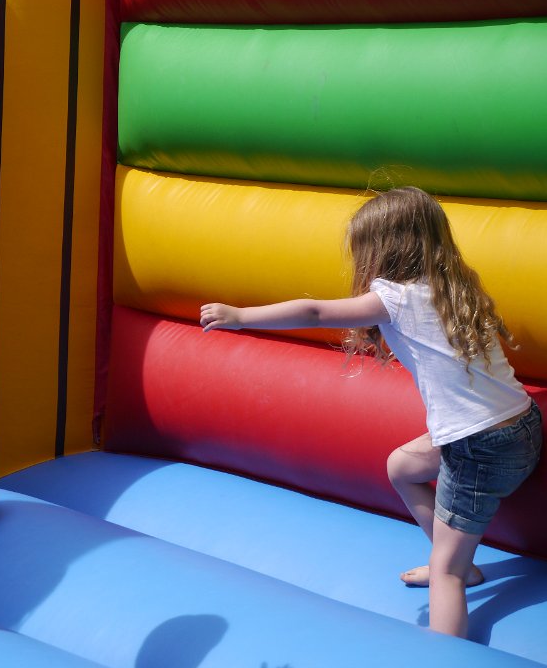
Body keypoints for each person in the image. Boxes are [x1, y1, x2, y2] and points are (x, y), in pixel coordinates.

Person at [199, 186, 541, 639]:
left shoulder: (396, 297)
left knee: (446, 575)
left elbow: (315, 312)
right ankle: (459, 558)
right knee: (402, 466)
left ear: (382, 251)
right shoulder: (455, 287)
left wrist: (240, 316)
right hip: (524, 427)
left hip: (479, 447)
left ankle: (451, 611)